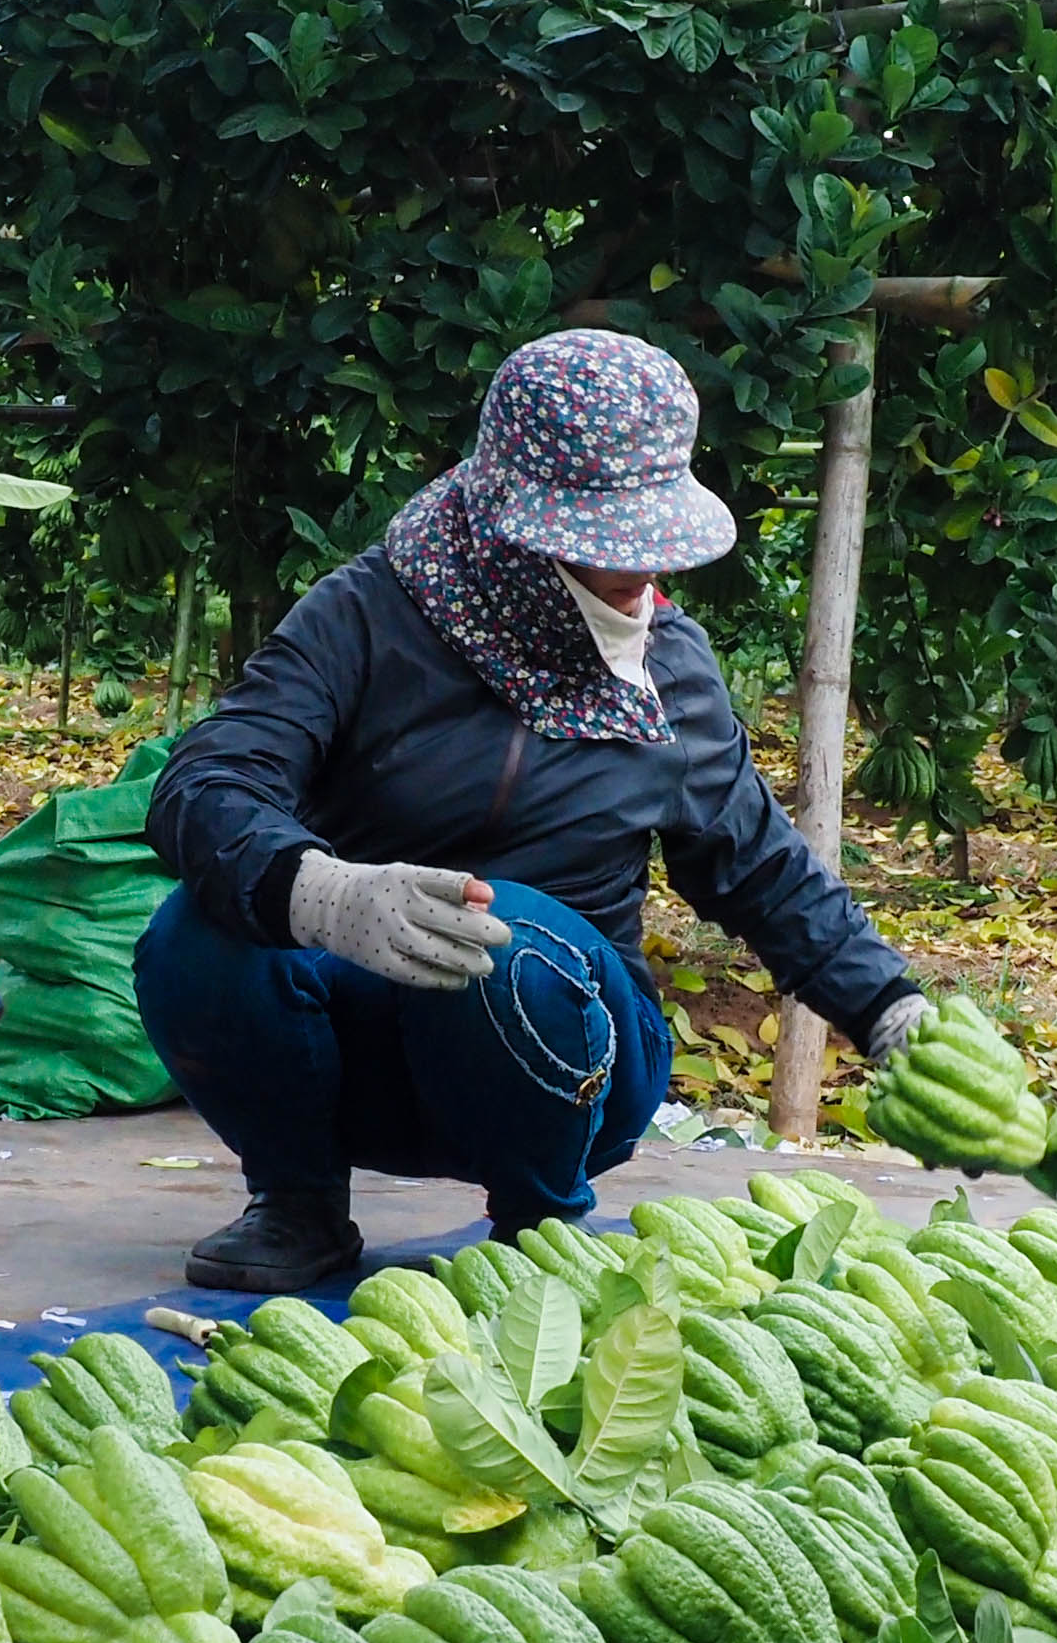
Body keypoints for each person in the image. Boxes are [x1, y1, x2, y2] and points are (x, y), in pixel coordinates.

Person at [136, 328, 950, 1291]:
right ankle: (297, 1203)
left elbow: (764, 871)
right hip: (362, 1053)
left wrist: (895, 1014)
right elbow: (208, 782)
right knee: (197, 931)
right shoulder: (366, 616)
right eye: (613, 543)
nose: (646, 574)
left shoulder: (670, 670)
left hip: (569, 1059)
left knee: (501, 934)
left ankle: (543, 1222)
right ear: (513, 523)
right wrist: (323, 893)